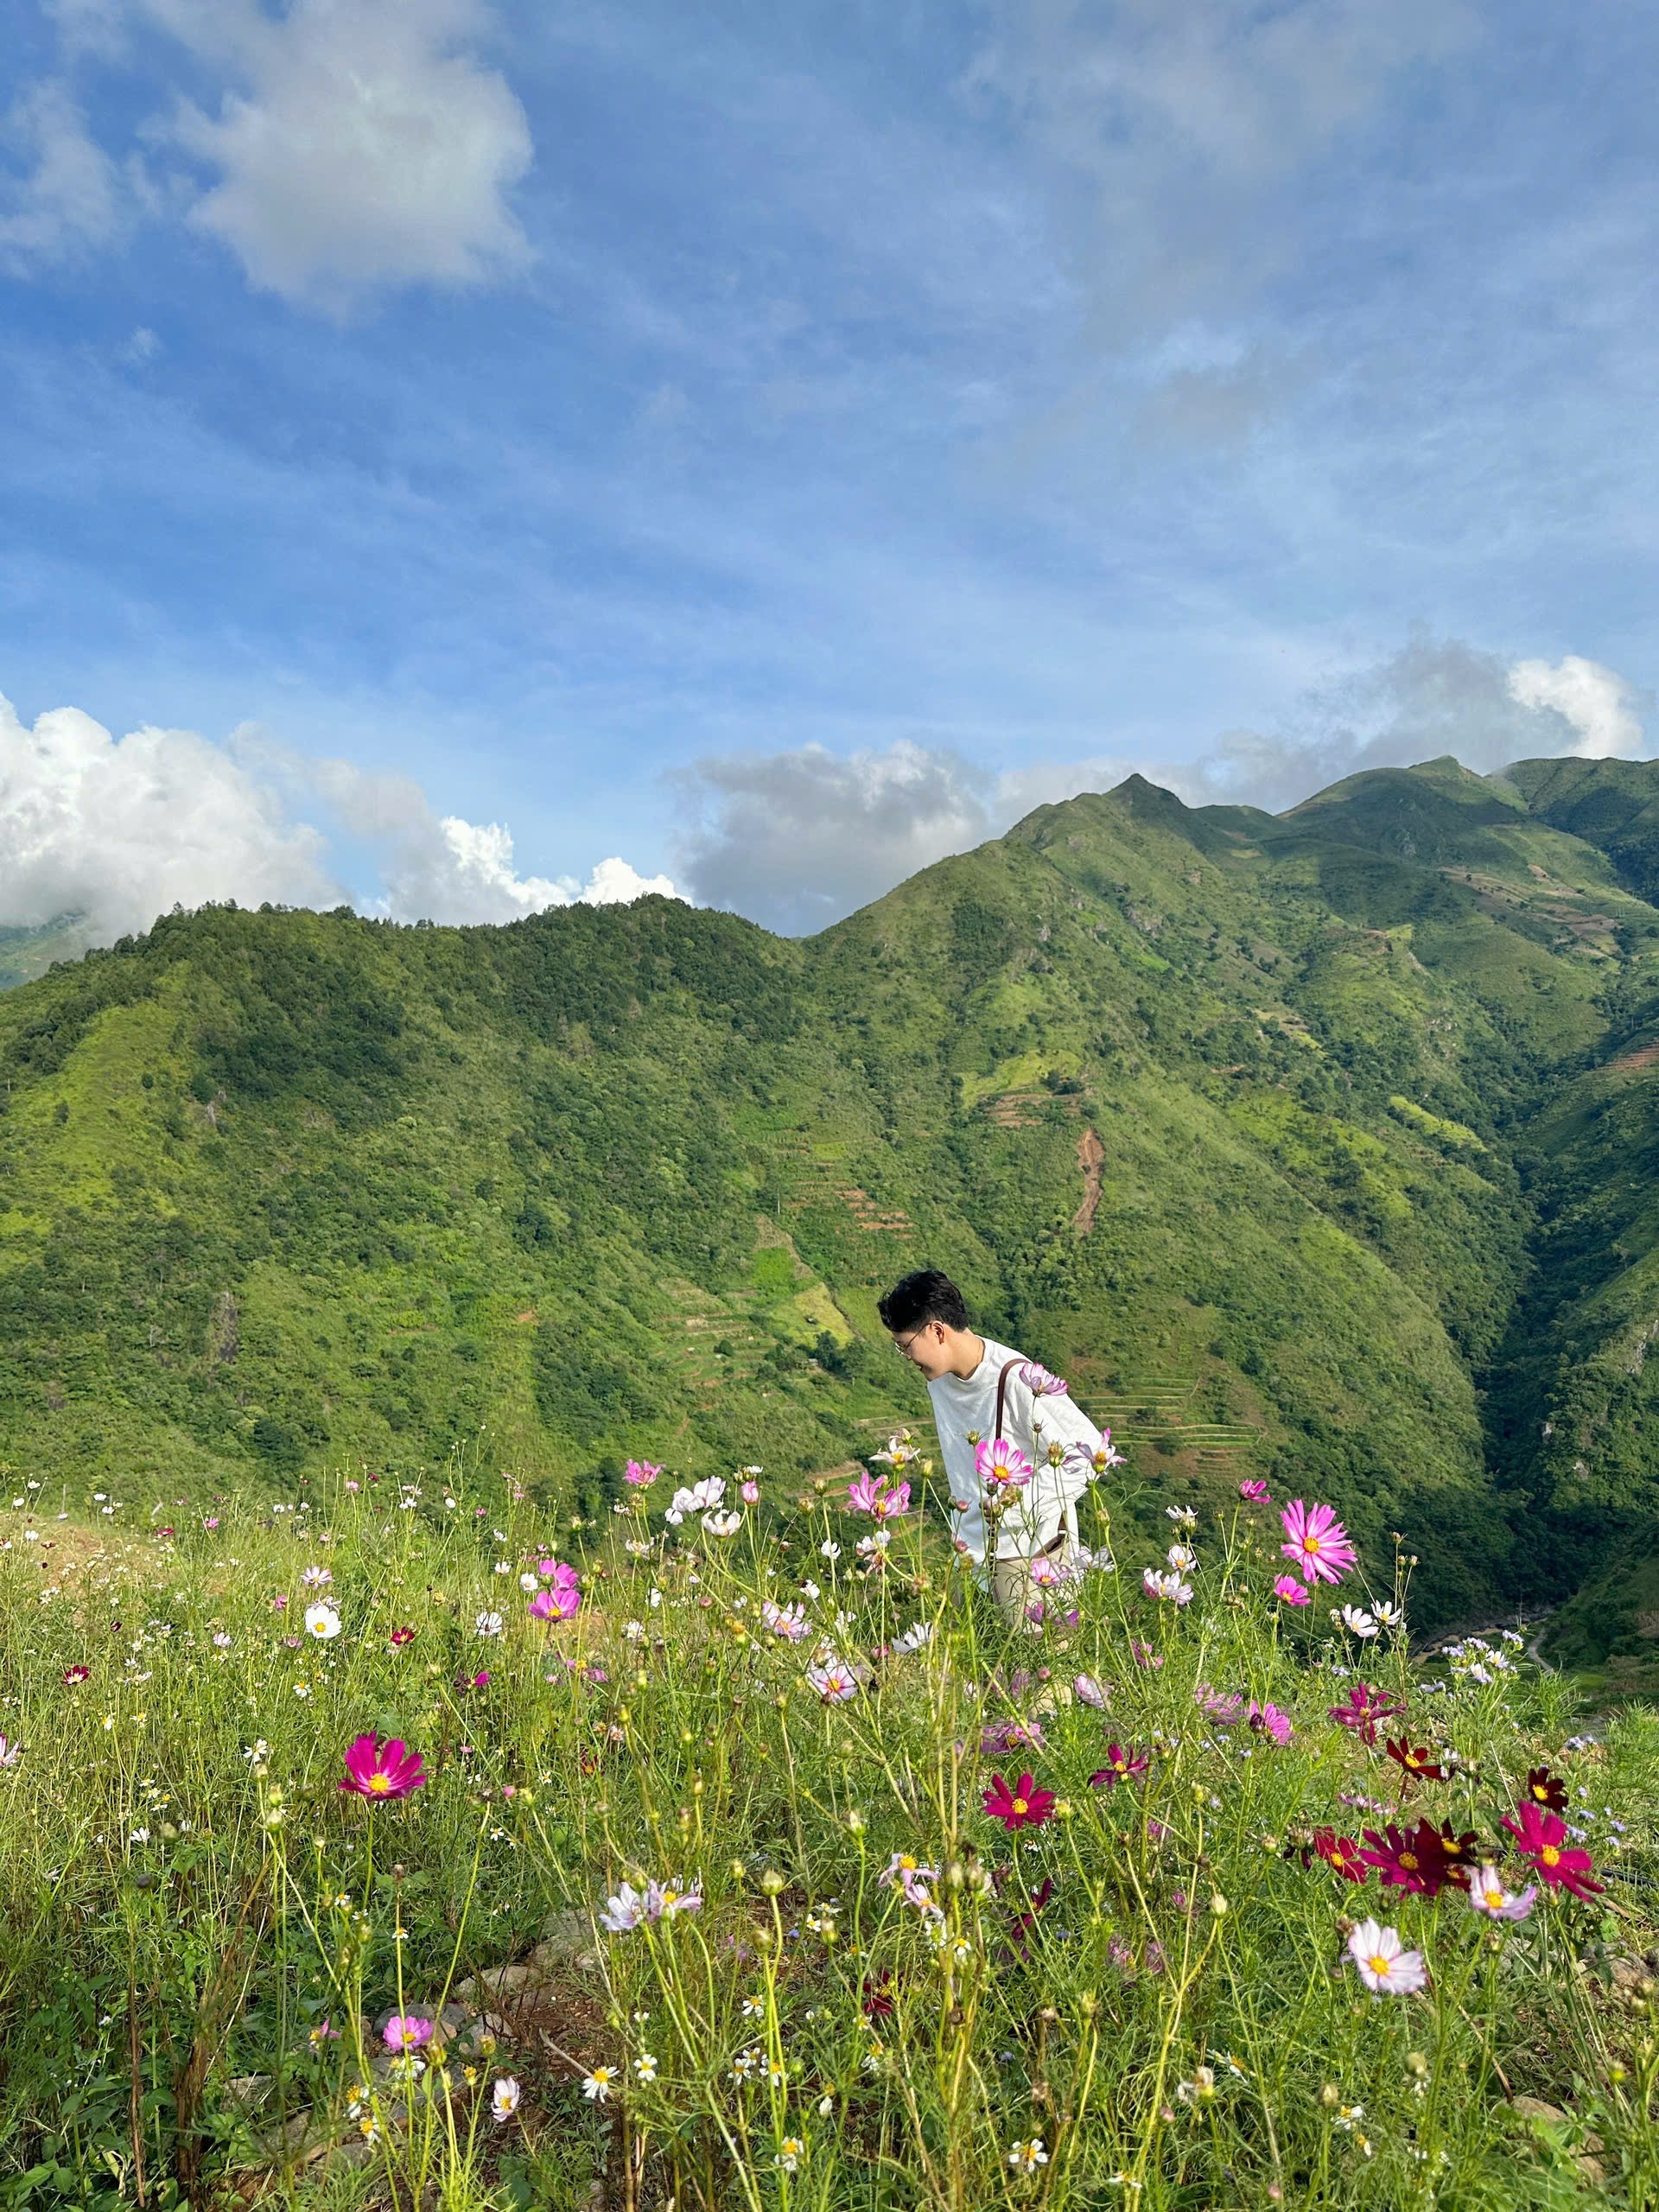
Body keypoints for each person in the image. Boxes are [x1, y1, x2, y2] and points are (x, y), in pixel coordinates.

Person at [876, 1268, 1112, 1617]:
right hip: (969, 1555)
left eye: (906, 1346)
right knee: (978, 1667)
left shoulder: (1018, 1379)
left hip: (1028, 1559)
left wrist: (1021, 1501)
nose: (908, 1358)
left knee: (1041, 1667)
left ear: (937, 1331)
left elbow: (1093, 1452)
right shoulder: (939, 1380)